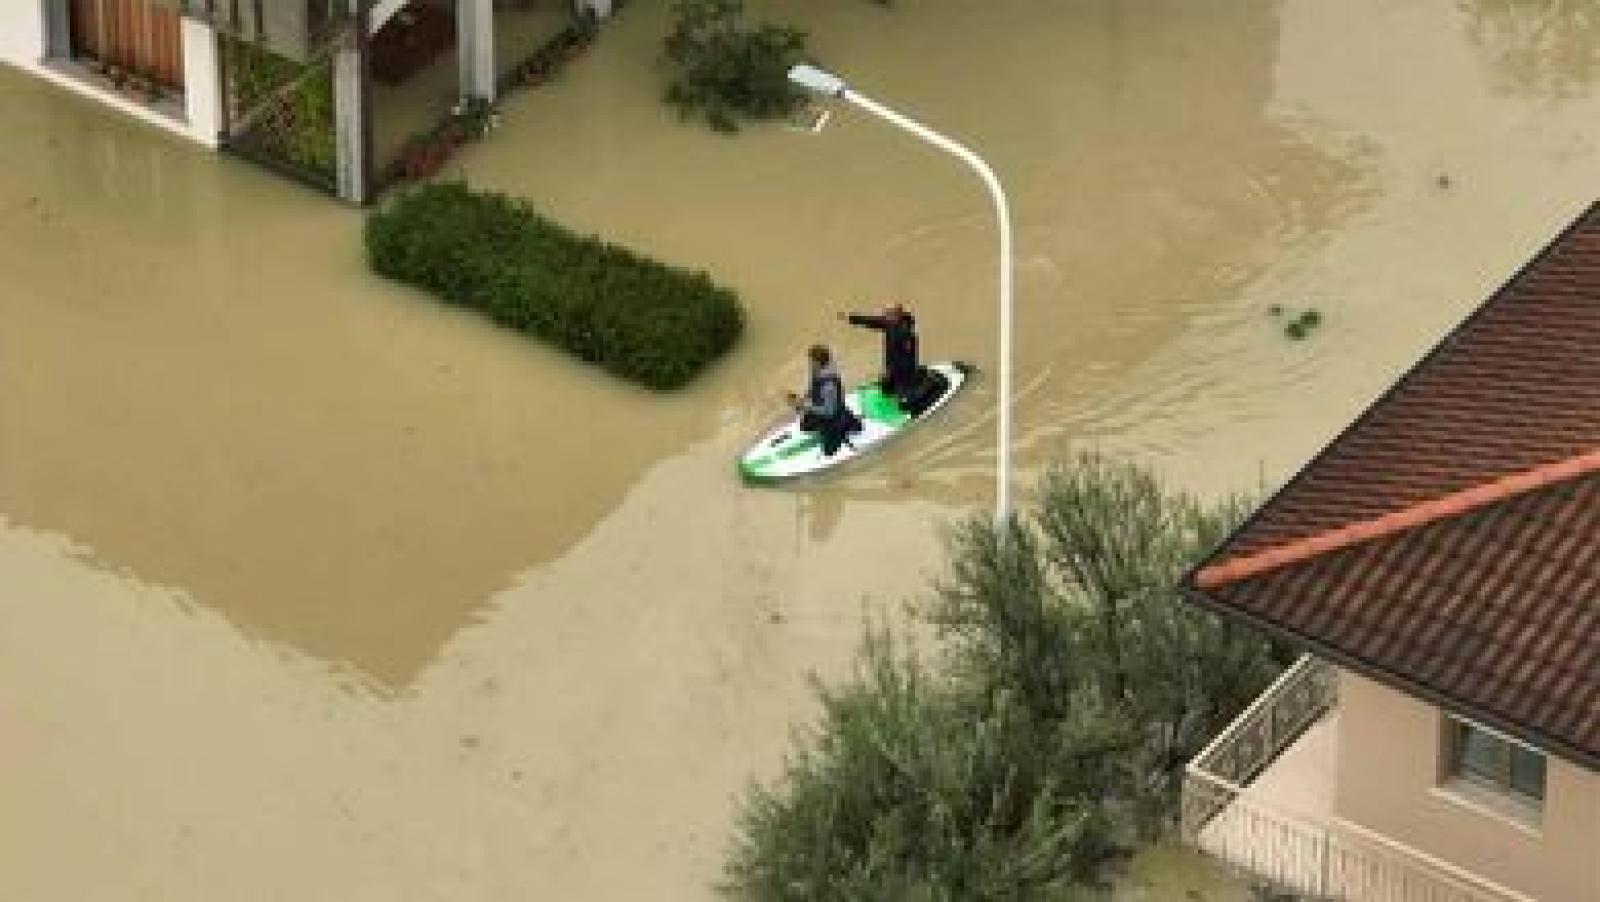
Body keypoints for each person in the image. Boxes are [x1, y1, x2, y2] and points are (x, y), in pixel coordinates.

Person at [841, 303, 933, 413]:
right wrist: (850, 318)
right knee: (886, 387)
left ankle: (913, 396)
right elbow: (870, 321)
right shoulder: (890, 323)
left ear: (896, 316)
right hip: (893, 366)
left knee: (905, 398)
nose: (885, 316)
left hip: (903, 370)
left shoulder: (906, 333)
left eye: (888, 314)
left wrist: (897, 373)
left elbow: (910, 357)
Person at [786, 344, 862, 456]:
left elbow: (829, 412)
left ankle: (845, 429)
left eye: (811, 361)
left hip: (833, 417)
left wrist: (805, 406)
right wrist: (800, 401)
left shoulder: (829, 386)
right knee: (805, 426)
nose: (809, 363)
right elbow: (812, 390)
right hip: (820, 407)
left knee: (829, 452)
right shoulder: (816, 373)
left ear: (817, 363)